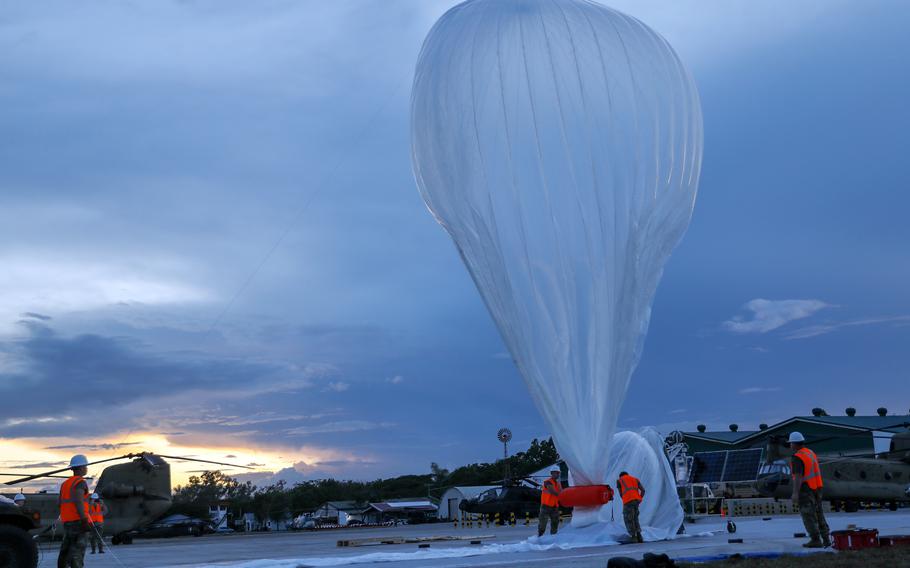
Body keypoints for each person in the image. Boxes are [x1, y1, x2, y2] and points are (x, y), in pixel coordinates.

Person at [789, 432, 830, 548]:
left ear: (794, 444)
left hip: (806, 490)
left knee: (808, 515)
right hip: (817, 488)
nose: (790, 445)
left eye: (791, 443)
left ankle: (815, 539)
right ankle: (826, 539)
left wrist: (795, 493)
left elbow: (798, 476)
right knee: (819, 514)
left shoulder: (797, 457)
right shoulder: (810, 452)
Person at [58, 454, 92, 568]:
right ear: (81, 467)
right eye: (86, 466)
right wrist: (84, 520)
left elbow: (60, 504)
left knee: (66, 550)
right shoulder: (80, 482)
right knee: (77, 552)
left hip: (67, 522)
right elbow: (79, 501)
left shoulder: (65, 484)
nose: (86, 468)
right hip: (78, 522)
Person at [617, 471, 645, 543]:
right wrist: (639, 498)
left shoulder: (620, 480)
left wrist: (626, 499)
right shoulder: (635, 479)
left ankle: (633, 537)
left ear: (621, 476)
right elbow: (643, 490)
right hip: (636, 501)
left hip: (628, 501)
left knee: (629, 518)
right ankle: (639, 536)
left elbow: (621, 494)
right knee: (635, 518)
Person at [538, 466, 562, 537]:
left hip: (554, 507)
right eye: (556, 473)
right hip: (546, 506)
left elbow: (561, 492)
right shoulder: (547, 482)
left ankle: (553, 538)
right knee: (542, 525)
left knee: (555, 523)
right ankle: (540, 537)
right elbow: (552, 491)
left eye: (558, 473)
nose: (557, 474)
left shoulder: (558, 484)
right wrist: (562, 495)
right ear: (551, 473)